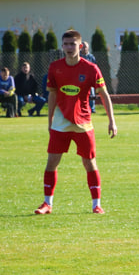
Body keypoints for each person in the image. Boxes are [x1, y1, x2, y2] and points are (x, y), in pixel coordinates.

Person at [34, 30, 117, 216]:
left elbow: (104, 95)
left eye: (73, 44)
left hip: (84, 123)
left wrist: (112, 121)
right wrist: (50, 122)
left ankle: (97, 205)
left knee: (89, 163)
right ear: (62, 46)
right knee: (51, 163)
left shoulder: (91, 68)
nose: (69, 47)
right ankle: (47, 204)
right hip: (60, 122)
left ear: (80, 46)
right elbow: (53, 94)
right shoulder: (55, 67)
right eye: (66, 44)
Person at [80, 41, 97, 114]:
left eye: (85, 47)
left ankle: (92, 109)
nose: (84, 49)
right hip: (80, 78)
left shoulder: (91, 57)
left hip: (89, 78)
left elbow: (94, 67)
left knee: (92, 94)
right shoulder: (78, 56)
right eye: (83, 47)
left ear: (88, 48)